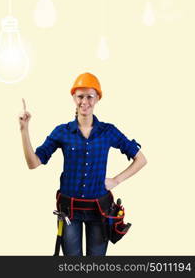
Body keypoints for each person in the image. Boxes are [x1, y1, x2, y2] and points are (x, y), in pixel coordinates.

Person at [19, 72, 147, 256]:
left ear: (97, 99)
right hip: (69, 211)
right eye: (80, 96)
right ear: (73, 98)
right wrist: (24, 130)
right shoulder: (62, 132)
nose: (84, 101)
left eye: (90, 96)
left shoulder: (108, 131)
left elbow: (141, 159)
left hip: (99, 210)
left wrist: (116, 180)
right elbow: (33, 163)